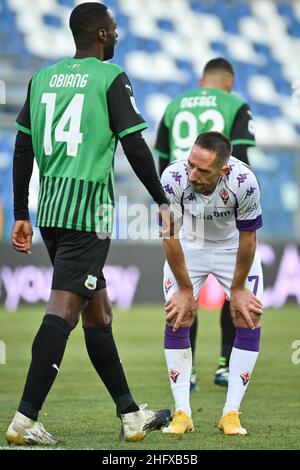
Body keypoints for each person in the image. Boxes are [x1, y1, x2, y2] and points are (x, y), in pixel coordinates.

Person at [6, 2, 195, 446]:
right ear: (103, 35)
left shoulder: (42, 78)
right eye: (114, 27)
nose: (118, 33)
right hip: (89, 216)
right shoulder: (111, 77)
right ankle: (25, 418)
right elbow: (134, 145)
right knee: (63, 311)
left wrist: (20, 212)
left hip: (51, 211)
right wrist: (162, 201)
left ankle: (130, 413)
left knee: (98, 312)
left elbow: (21, 147)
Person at [155, 58, 256, 389]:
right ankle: (226, 363)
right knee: (235, 288)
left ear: (202, 81)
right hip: (223, 202)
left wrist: (169, 201)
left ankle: (191, 369)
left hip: (182, 200)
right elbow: (240, 156)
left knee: (187, 286)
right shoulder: (235, 103)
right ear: (230, 83)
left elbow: (161, 160)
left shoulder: (174, 106)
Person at [161, 131, 263, 435]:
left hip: (233, 249)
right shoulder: (172, 178)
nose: (192, 174)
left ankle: (231, 413)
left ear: (224, 169)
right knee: (178, 318)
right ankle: (182, 413)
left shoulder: (244, 182)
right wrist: (183, 289)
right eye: (191, 164)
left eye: (202, 170)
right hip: (188, 247)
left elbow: (249, 238)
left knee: (248, 317)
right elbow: (169, 236)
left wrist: (238, 288)